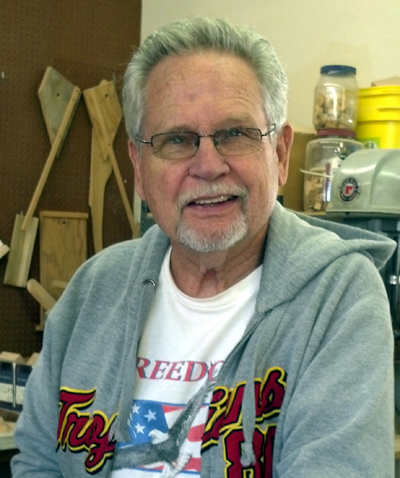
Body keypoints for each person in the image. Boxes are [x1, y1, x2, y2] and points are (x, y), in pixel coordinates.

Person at [11, 16, 396, 478]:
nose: (209, 166)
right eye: (177, 140)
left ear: (280, 154)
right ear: (139, 168)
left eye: (235, 134)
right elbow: (37, 461)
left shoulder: (339, 298)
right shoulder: (93, 289)